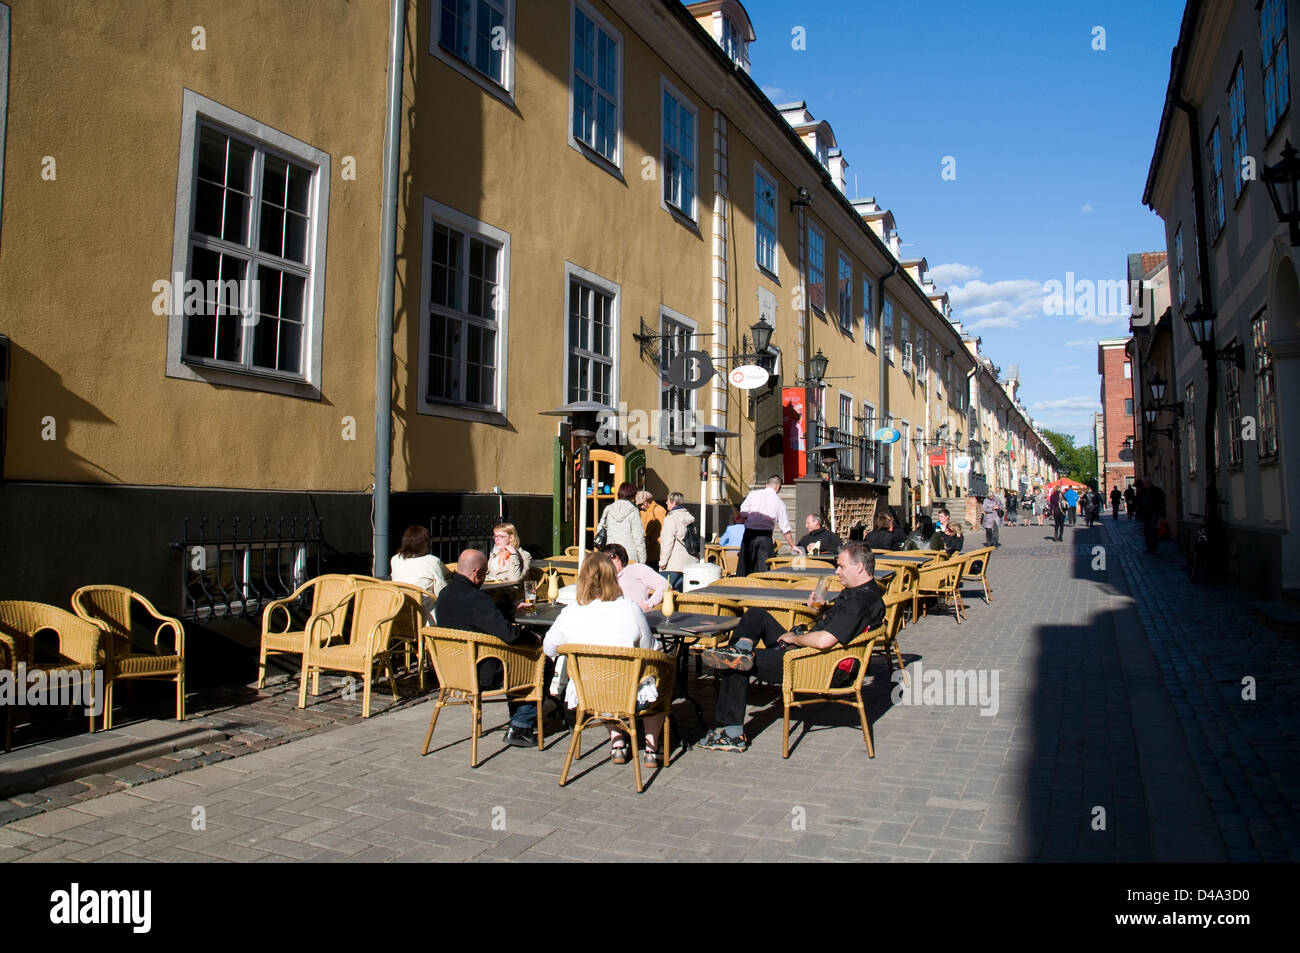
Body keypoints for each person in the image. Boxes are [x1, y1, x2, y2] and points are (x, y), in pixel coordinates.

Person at [696, 543, 887, 752]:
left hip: (817, 665)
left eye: (841, 566)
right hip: (816, 654)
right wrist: (822, 609)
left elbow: (824, 641)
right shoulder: (862, 594)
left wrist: (795, 639)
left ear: (859, 567)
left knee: (733, 661)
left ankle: (731, 733)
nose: (836, 571)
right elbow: (838, 627)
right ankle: (741, 649)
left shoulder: (859, 602)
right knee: (756, 614)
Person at [542, 553, 665, 766]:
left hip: (589, 692)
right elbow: (650, 649)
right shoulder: (630, 608)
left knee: (604, 684)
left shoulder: (570, 612)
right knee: (658, 675)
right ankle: (652, 747)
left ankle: (617, 741)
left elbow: (549, 648)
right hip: (627, 691)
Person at [435, 549, 543, 748]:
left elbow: (473, 617)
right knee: (539, 662)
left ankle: (519, 717)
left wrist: (507, 610)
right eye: (484, 573)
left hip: (452, 671)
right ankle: (520, 725)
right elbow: (509, 635)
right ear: (477, 573)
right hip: (482, 672)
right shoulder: (478, 599)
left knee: (520, 659)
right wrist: (533, 637)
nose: (485, 578)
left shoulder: (444, 595)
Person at [736, 475, 796, 576]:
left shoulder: (753, 494)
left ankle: (740, 586)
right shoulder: (779, 503)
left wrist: (748, 518)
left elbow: (743, 512)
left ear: (766, 484)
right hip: (765, 536)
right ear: (778, 487)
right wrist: (792, 545)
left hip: (750, 534)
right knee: (763, 568)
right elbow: (785, 528)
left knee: (745, 565)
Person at [390, 524, 447, 622]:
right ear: (426, 542)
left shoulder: (395, 559)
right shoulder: (432, 561)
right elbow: (442, 591)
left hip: (401, 614)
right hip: (425, 618)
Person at [602, 543, 669, 611]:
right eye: (605, 559)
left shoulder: (637, 569)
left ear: (621, 556)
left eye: (612, 556)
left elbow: (665, 584)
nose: (609, 561)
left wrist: (649, 604)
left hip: (637, 616)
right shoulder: (604, 578)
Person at [596, 482, 646, 563]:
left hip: (610, 553)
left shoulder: (608, 509)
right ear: (632, 495)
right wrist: (643, 560)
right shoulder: (633, 511)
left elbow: (599, 529)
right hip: (629, 555)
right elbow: (639, 538)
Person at [658, 491, 696, 591]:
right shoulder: (690, 517)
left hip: (674, 564)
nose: (666, 502)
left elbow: (667, 543)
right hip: (691, 562)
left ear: (674, 502)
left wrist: (662, 562)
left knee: (664, 592)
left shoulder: (671, 519)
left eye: (668, 501)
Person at [635, 490, 667, 567]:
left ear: (646, 501)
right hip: (646, 550)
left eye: (641, 504)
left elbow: (663, 531)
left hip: (656, 551)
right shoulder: (642, 511)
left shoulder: (659, 510)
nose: (640, 507)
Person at [1142, 481, 1166, 554]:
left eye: (1146, 483)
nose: (1145, 484)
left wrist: (1163, 514)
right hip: (1146, 514)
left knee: (1152, 530)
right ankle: (1149, 547)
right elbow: (1141, 502)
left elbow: (1162, 503)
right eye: (1144, 483)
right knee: (1147, 530)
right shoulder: (1144, 491)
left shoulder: (1157, 491)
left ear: (1150, 483)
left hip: (1154, 513)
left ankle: (1153, 546)